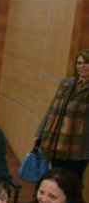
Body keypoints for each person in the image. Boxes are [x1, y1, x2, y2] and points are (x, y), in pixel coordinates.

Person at [33, 49, 89, 179]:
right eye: (79, 63)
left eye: (86, 63)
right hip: (57, 141)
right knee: (57, 177)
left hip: (79, 146)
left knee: (73, 180)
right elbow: (51, 109)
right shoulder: (66, 83)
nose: (82, 66)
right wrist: (40, 132)